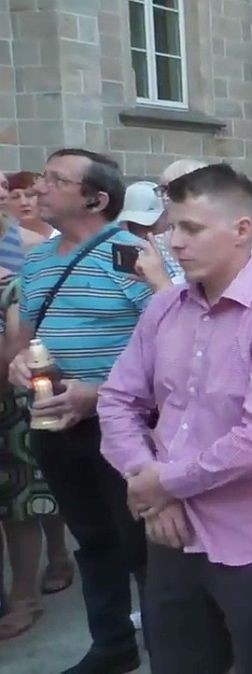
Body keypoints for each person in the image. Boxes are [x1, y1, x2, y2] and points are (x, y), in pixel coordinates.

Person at [98, 163, 252, 674]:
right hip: (170, 534)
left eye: (191, 228)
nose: (174, 242)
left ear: (242, 230)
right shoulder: (166, 308)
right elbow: (118, 400)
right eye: (172, 227)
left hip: (249, 543)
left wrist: (164, 484)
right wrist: (149, 487)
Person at [7, 149, 152, 673]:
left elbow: (168, 348)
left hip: (123, 428)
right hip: (53, 424)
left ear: (95, 198)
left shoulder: (133, 255)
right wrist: (20, 362)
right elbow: (27, 338)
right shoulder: (39, 259)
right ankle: (112, 646)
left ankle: (170, 648)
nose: (40, 187)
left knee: (142, 549)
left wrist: (99, 393)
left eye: (54, 180)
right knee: (92, 540)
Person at [0, 173, 73, 642]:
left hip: (13, 396)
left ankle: (26, 593)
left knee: (20, 498)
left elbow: (18, 342)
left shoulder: (26, 249)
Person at [4, 171, 57, 248]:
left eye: (30, 195)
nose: (23, 202)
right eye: (15, 197)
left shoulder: (67, 236)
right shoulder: (6, 242)